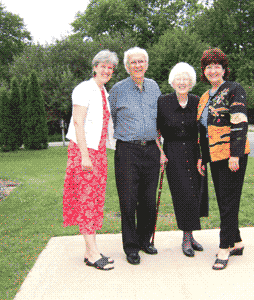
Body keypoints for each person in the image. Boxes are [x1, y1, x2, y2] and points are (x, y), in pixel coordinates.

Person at [63, 50, 119, 271]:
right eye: (103, 66)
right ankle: (93, 253)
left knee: (95, 200)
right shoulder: (84, 89)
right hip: (83, 152)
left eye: (110, 68)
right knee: (86, 200)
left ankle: (90, 250)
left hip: (99, 153)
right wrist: (85, 156)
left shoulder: (103, 92)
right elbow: (78, 122)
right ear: (94, 67)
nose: (106, 70)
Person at [108, 47, 164, 265]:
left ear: (146, 64)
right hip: (127, 151)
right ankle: (131, 247)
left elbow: (159, 121)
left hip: (151, 150)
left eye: (141, 61)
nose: (138, 65)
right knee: (129, 201)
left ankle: (144, 241)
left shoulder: (154, 87)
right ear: (127, 66)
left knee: (149, 201)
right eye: (133, 62)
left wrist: (160, 149)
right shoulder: (118, 90)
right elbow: (110, 117)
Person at [197, 48, 250, 270]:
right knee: (225, 200)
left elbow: (239, 122)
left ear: (224, 69)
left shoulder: (234, 89)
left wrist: (235, 154)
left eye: (217, 66)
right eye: (208, 67)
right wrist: (202, 157)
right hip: (215, 156)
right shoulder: (205, 96)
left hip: (232, 156)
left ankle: (224, 247)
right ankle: (236, 241)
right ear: (204, 71)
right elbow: (202, 130)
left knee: (228, 201)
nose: (213, 70)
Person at [156, 62, 209, 257]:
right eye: (179, 78)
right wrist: (160, 152)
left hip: (195, 152)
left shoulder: (197, 101)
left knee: (196, 193)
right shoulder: (163, 101)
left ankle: (190, 235)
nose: (182, 82)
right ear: (172, 81)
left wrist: (202, 157)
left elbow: (204, 131)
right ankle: (186, 238)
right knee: (183, 194)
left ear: (191, 82)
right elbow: (156, 130)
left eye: (186, 79)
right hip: (173, 152)